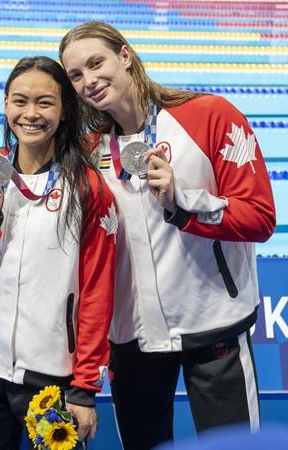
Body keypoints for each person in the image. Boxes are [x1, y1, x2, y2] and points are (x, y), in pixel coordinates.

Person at [59, 21, 276, 450]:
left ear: (125, 55)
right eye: (76, 75)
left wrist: (183, 200)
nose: (89, 81)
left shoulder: (210, 115)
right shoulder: (87, 150)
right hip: (133, 337)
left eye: (96, 63)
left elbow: (260, 217)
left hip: (214, 326)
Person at [0, 56, 117, 449]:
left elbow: (97, 292)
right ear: (4, 105)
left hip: (53, 377)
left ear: (65, 110)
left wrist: (85, 386)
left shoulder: (89, 189)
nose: (30, 114)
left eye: (45, 103)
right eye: (19, 101)